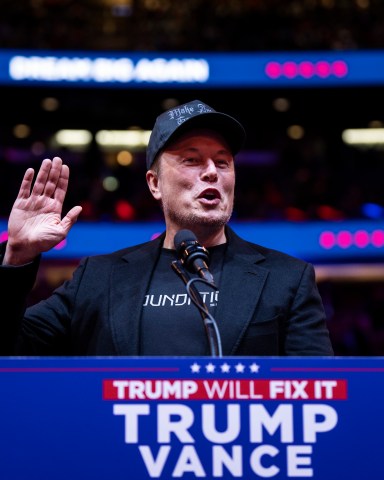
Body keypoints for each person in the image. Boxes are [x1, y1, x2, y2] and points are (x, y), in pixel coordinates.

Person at [0, 99, 333, 356]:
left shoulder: (287, 278)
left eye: (222, 161)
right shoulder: (98, 278)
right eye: (191, 159)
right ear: (154, 183)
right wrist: (17, 257)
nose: (212, 172)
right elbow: (12, 348)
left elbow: (321, 391)